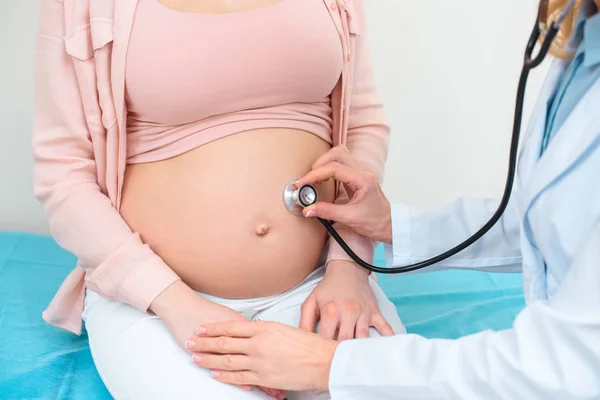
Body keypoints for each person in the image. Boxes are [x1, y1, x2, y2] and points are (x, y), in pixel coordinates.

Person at [184, 0, 600, 398]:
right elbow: (550, 217)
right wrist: (388, 224)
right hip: (190, 300)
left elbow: (568, 365)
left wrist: (332, 364)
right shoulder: (585, 39)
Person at [32, 0, 406, 399]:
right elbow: (63, 174)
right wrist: (176, 306)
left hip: (320, 283)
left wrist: (349, 265)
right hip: (161, 305)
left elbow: (363, 126)